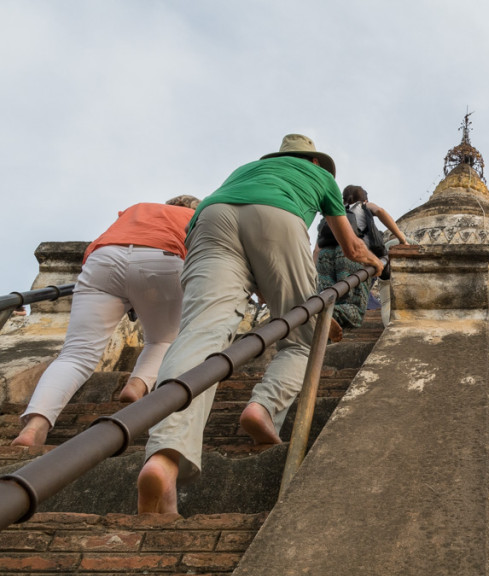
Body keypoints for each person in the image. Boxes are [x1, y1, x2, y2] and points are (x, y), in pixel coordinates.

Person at [137, 134, 382, 515]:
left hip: (210, 219)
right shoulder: (321, 177)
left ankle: (164, 457)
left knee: (199, 336)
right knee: (304, 337)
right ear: (315, 161)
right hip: (277, 219)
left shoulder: (246, 169)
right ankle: (263, 408)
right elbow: (351, 247)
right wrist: (378, 266)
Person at [12, 196, 199, 447]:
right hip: (165, 257)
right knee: (163, 340)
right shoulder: (194, 216)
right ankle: (137, 384)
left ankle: (36, 425)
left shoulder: (138, 208)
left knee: (76, 355)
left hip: (105, 258)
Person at [315, 185, 407, 339]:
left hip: (325, 257)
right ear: (364, 199)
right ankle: (321, 315)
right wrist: (402, 239)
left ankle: (316, 315)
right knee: (354, 310)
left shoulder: (334, 211)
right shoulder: (363, 206)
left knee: (328, 297)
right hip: (351, 254)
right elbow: (380, 212)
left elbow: (317, 249)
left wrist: (317, 270)